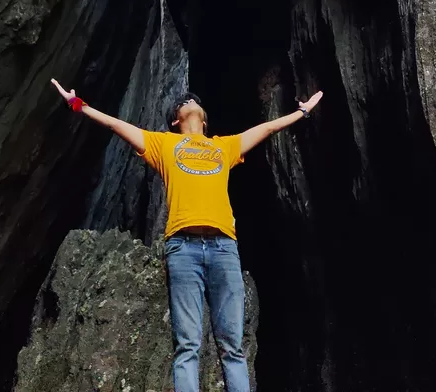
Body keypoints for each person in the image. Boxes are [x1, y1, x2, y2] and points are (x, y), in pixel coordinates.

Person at [51, 77, 323, 392]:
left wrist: (302, 112)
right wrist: (78, 105)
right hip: (183, 249)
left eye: (194, 100)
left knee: (232, 347)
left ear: (204, 119)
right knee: (187, 346)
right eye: (183, 102)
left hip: (224, 248)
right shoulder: (163, 144)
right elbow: (116, 125)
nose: (189, 101)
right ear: (174, 121)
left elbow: (267, 129)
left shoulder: (223, 146)